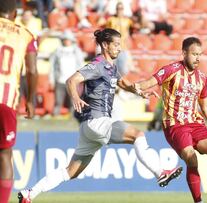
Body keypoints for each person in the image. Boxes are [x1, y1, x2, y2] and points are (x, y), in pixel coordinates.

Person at [18, 28, 182, 202]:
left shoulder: (111, 66)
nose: (120, 48)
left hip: (89, 128)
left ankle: (30, 193)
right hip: (97, 121)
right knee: (138, 134)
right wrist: (75, 98)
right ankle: (160, 173)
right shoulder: (97, 64)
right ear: (105, 45)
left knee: (70, 172)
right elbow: (71, 80)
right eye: (116, 44)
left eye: (120, 44)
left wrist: (139, 92)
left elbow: (123, 83)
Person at [133, 37, 207, 203]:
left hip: (195, 123)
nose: (197, 58)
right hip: (175, 125)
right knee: (191, 157)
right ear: (184, 53)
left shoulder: (202, 78)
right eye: (194, 54)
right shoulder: (171, 70)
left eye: (200, 54)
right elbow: (149, 82)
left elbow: (205, 106)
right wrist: (136, 87)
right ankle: (198, 201)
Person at [0, 0, 38, 203]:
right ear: (15, 13)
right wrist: (30, 100)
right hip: (6, 101)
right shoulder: (26, 35)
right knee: (5, 154)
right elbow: (31, 70)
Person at [49, 30, 84, 116]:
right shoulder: (57, 51)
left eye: (68, 39)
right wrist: (52, 80)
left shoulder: (76, 51)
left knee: (73, 102)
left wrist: (80, 79)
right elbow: (52, 66)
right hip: (60, 80)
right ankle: (55, 118)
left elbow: (80, 65)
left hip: (73, 81)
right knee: (58, 101)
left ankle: (74, 119)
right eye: (65, 39)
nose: (66, 41)